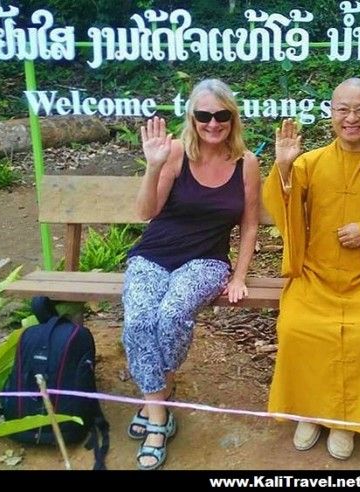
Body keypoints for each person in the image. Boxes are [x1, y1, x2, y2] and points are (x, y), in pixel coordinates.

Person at [263, 78, 360, 460]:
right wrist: (284, 171)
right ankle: (309, 412)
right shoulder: (310, 162)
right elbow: (284, 206)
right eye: (343, 110)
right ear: (331, 114)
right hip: (315, 277)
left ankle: (344, 421)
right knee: (296, 327)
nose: (351, 118)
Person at [122, 79, 260, 470]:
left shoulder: (246, 163)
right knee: (138, 321)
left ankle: (154, 410)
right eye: (203, 115)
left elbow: (249, 226)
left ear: (232, 119)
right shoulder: (177, 154)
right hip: (153, 254)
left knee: (171, 314)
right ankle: (159, 409)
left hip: (207, 260)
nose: (212, 124)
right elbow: (146, 212)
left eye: (221, 116)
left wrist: (239, 275)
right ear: (192, 118)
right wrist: (153, 166)